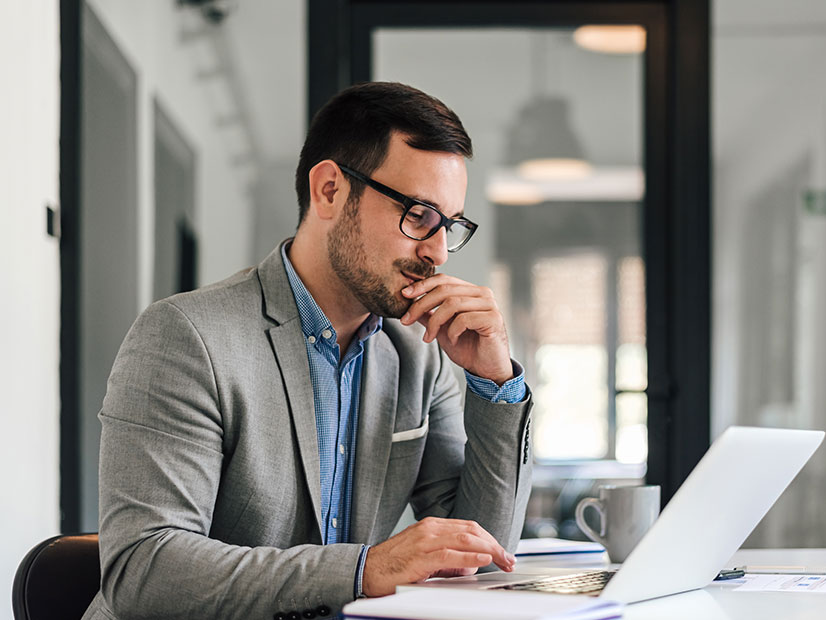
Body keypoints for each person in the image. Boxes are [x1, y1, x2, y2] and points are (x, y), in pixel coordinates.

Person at [82, 82, 533, 620]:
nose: (436, 251)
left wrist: (495, 382)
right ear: (329, 191)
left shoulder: (419, 356)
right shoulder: (185, 336)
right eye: (418, 214)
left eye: (450, 225)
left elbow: (481, 557)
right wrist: (365, 571)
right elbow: (145, 571)